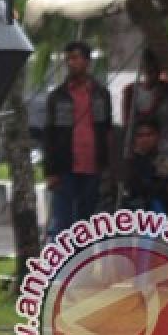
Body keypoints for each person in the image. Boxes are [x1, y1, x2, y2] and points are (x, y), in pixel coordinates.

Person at [44, 41, 113, 239]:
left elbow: (106, 130)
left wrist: (107, 166)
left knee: (86, 224)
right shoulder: (57, 97)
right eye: (68, 59)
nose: (71, 63)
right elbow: (49, 135)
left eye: (75, 58)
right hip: (65, 167)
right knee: (63, 223)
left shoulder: (101, 94)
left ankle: (83, 264)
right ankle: (62, 266)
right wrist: (51, 171)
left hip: (93, 166)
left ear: (87, 61)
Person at [120, 49, 168, 162]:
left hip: (166, 150)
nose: (151, 72)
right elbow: (128, 123)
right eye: (148, 69)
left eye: (154, 68)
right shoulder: (131, 91)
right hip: (140, 150)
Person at [121, 118, 168, 218]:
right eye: (140, 136)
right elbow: (138, 187)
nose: (145, 139)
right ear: (135, 139)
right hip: (141, 209)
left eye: (149, 135)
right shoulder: (130, 162)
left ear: (158, 136)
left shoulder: (165, 159)